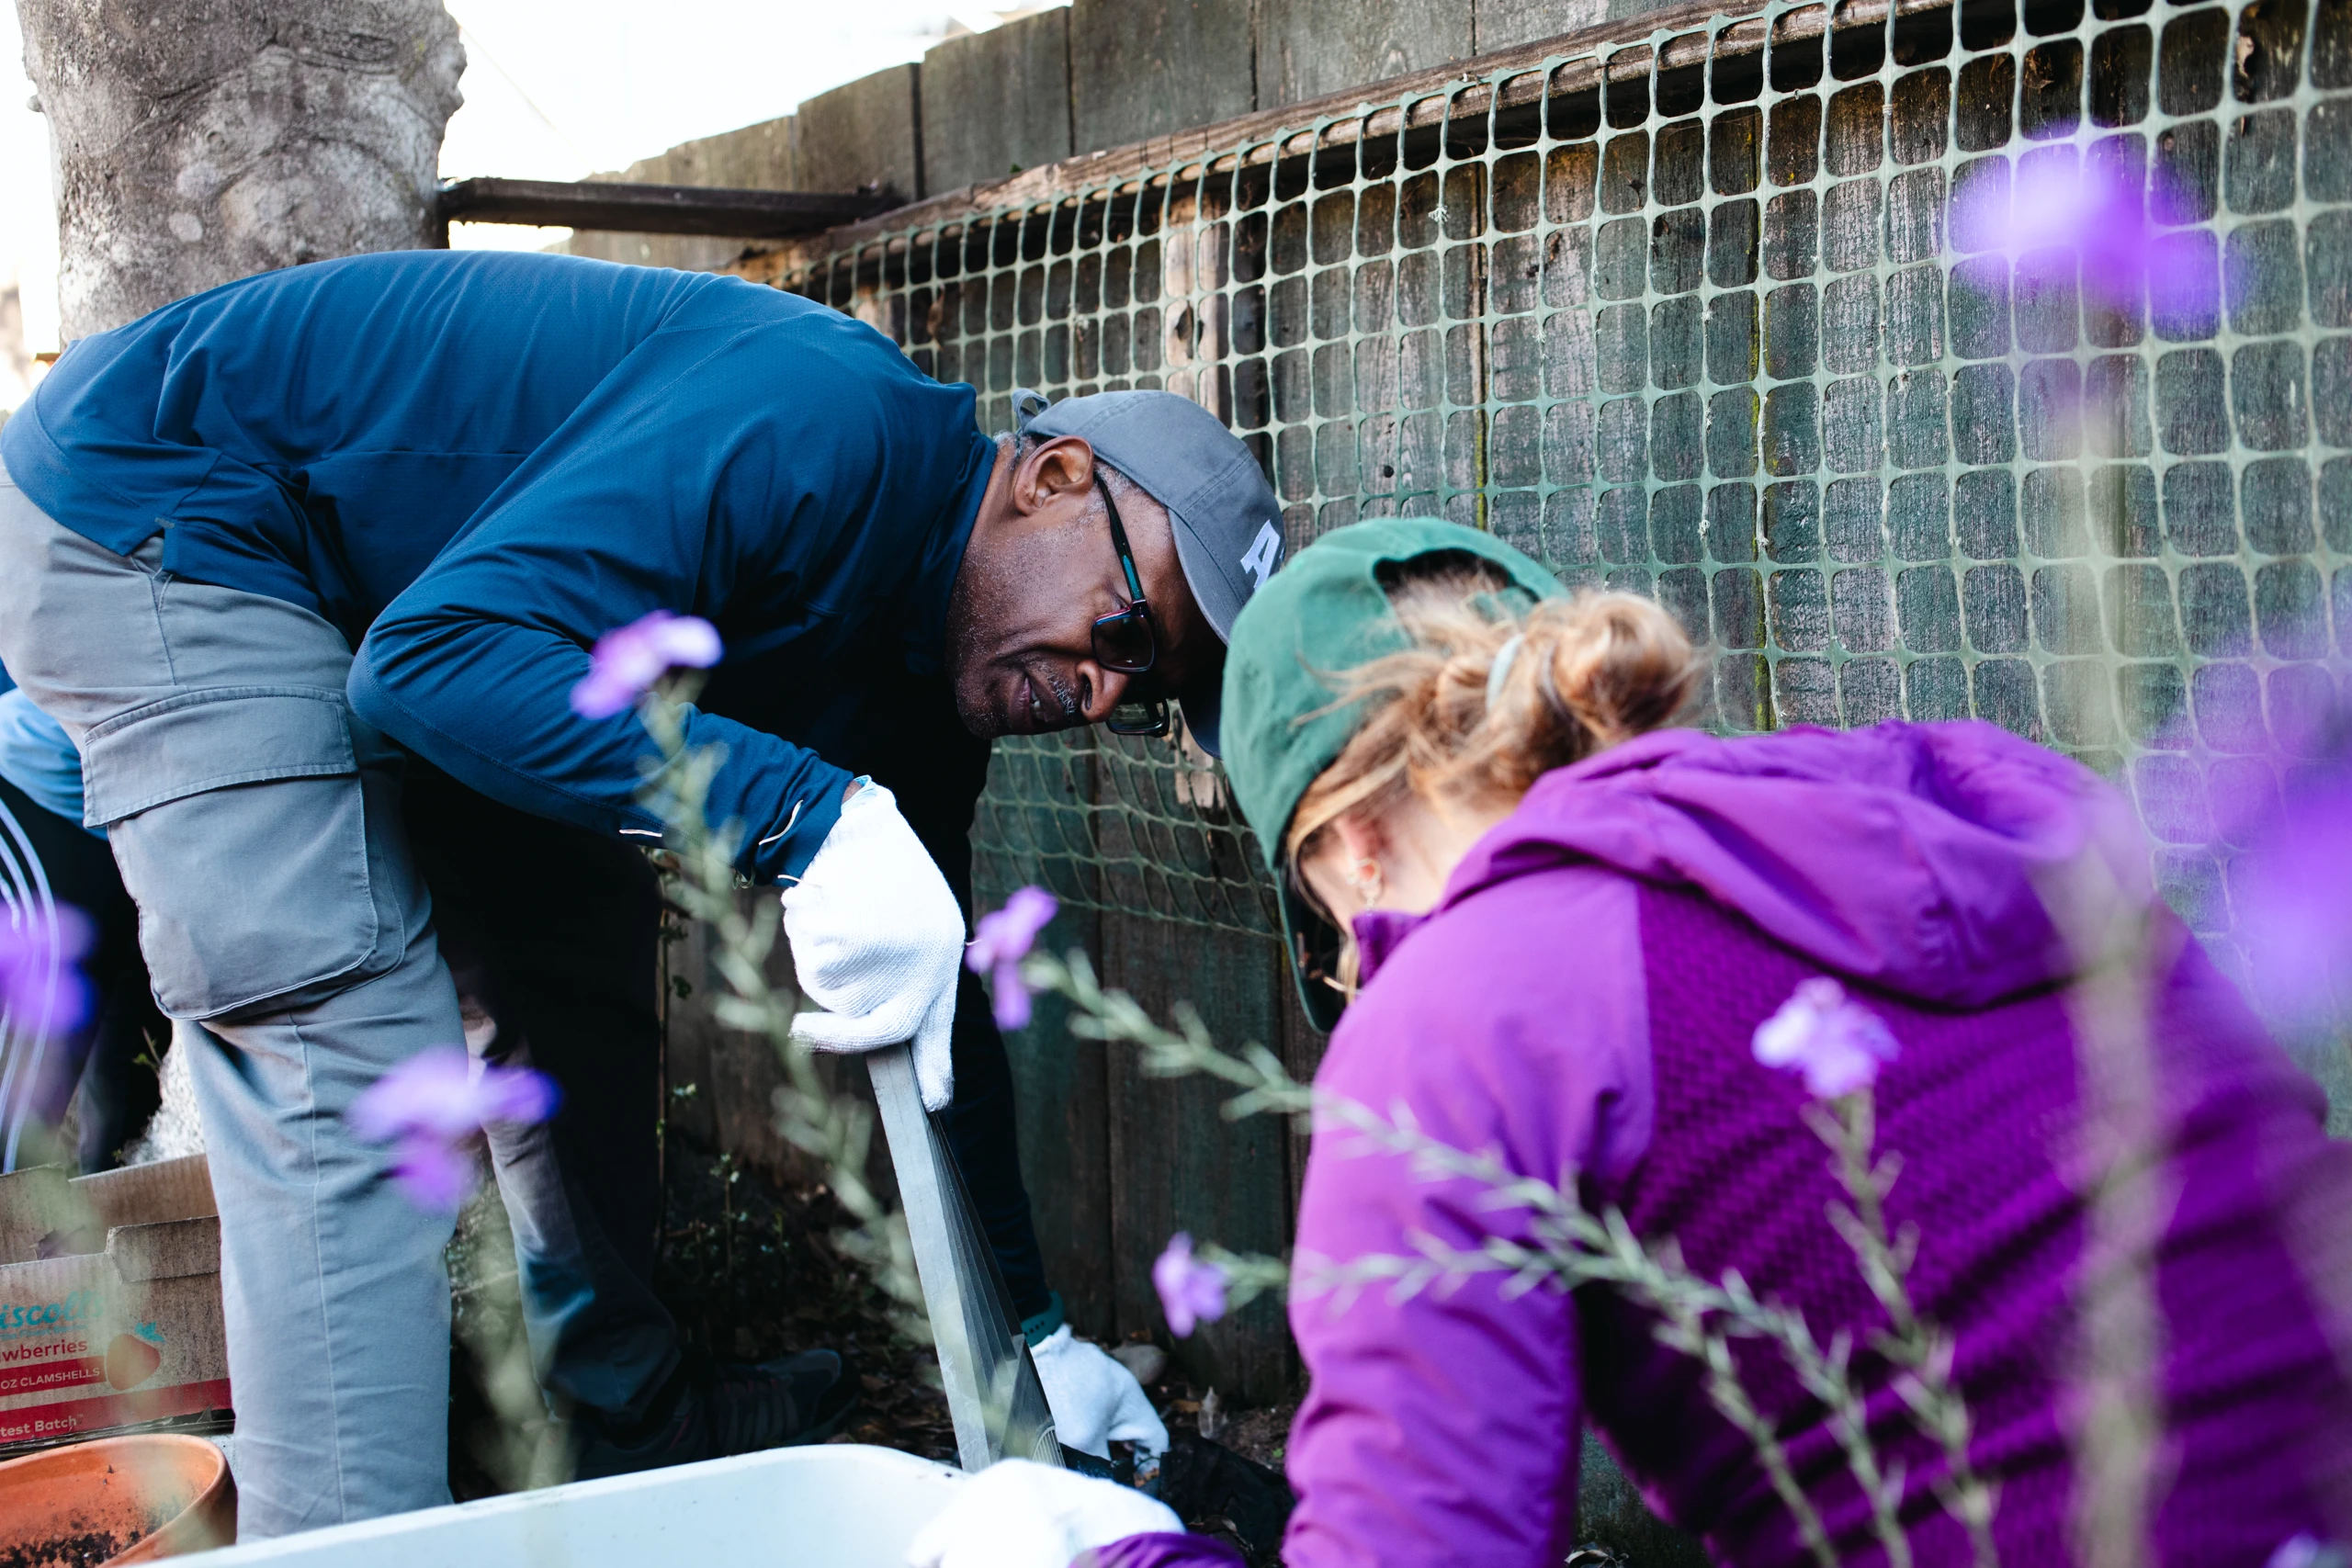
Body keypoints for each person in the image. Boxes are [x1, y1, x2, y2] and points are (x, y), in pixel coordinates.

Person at [0, 248, 1284, 1537]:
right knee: (345, 1032)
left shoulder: (932, 668)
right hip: (170, 506)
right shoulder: (819, 427)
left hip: (386, 584)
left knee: (573, 947)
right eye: (1125, 632)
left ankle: (629, 1430)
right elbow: (426, 663)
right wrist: (793, 808)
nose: (1104, 693)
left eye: (1147, 693)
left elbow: (937, 1019)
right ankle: (347, 1543)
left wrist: (1039, 1335)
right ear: (1053, 477)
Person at [912, 517, 2352, 1568]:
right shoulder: (1945, 811)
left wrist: (1102, 1556)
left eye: (1336, 939)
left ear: (1350, 845)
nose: (1359, 979)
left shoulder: (1464, 1007)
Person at [0, 664, 164, 1171]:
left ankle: (83, 1244)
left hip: (144, 823)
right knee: (20, 1111)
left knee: (123, 1109)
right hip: (38, 791)